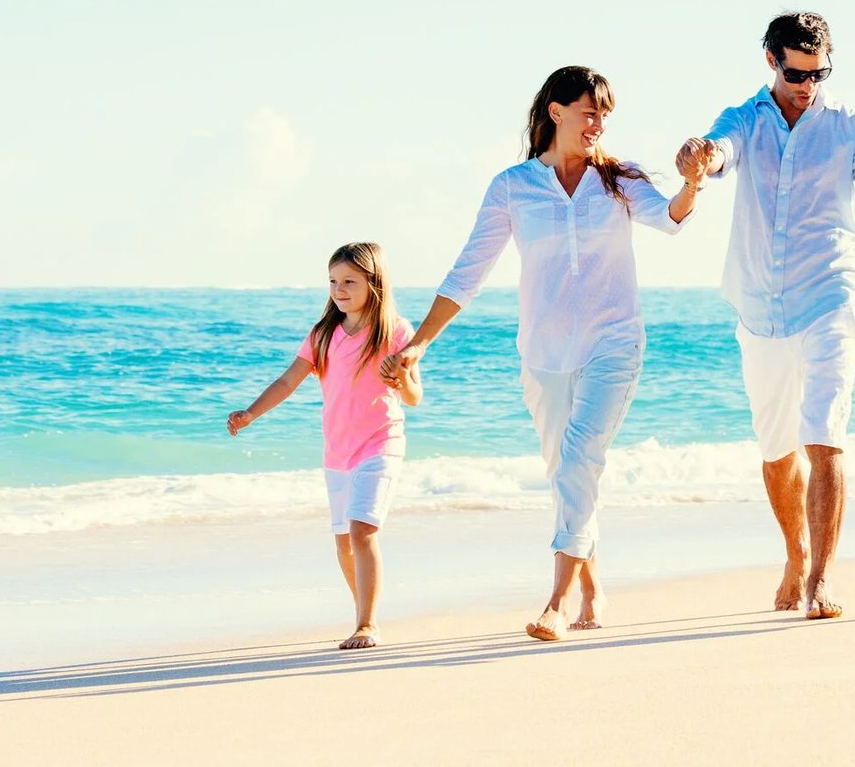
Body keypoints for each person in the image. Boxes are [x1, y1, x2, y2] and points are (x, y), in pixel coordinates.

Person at [381, 66, 705, 642]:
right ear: (556, 112)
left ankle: (555, 601)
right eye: (589, 111)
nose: (598, 123)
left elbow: (672, 219)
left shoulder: (619, 179)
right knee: (568, 474)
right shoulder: (513, 187)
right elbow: (468, 271)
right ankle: (593, 587)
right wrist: (420, 343)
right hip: (544, 354)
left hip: (614, 343)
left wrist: (693, 182)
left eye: (605, 114)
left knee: (579, 459)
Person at [676, 12, 855, 619]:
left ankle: (820, 579)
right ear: (772, 61)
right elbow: (717, 152)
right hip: (758, 305)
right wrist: (699, 158)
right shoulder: (744, 117)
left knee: (824, 436)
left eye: (819, 73)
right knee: (776, 450)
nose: (808, 85)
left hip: (830, 294)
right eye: (797, 73)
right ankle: (794, 553)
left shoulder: (848, 125)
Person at [227, 242, 420, 650]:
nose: (339, 289)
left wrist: (399, 379)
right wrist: (250, 414)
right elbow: (286, 382)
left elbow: (414, 396)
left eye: (349, 281)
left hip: (380, 444)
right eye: (333, 281)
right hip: (337, 452)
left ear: (375, 282)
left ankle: (367, 625)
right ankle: (362, 615)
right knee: (343, 541)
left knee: (362, 529)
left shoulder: (395, 331)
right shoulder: (322, 335)